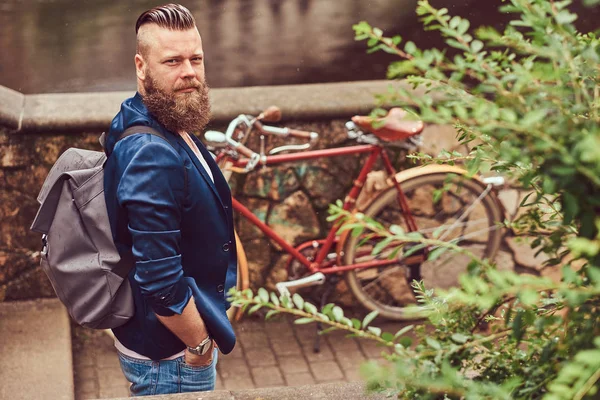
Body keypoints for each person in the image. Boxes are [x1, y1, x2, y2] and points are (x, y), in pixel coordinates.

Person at [103, 3, 237, 395]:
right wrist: (199, 345)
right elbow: (159, 279)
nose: (190, 73)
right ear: (141, 67)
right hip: (171, 358)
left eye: (196, 59)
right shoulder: (151, 151)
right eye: (173, 61)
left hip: (166, 345)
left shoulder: (155, 113)